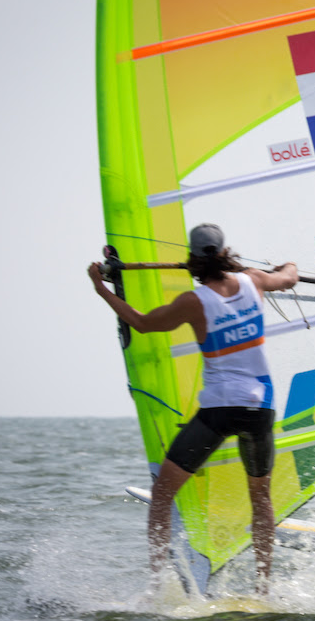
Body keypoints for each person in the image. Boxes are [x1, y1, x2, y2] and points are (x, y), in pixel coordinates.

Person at [88, 223, 298, 594]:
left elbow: (140, 322)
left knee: (164, 494)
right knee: (260, 498)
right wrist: (287, 266)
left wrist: (101, 288)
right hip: (260, 408)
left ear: (193, 258)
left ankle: (158, 586)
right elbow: (288, 278)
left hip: (220, 410)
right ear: (225, 252)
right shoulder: (254, 280)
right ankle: (264, 588)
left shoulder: (194, 301)